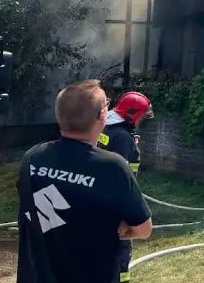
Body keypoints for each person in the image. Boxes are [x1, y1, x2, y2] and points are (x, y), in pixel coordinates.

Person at [16, 79, 153, 283]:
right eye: (106, 104)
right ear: (101, 115)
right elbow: (143, 229)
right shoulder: (113, 168)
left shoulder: (33, 157)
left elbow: (36, 208)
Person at [96, 91, 154, 283]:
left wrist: (129, 141)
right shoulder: (122, 138)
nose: (141, 121)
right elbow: (122, 178)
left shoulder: (107, 128)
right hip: (117, 205)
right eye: (141, 116)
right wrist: (126, 215)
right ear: (133, 115)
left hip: (99, 200)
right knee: (120, 251)